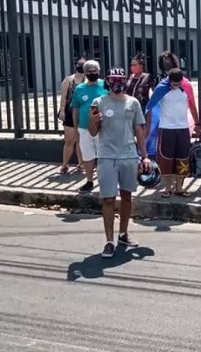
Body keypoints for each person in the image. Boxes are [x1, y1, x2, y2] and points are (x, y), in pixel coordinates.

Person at [89, 67, 153, 259]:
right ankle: (109, 240)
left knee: (127, 197)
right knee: (108, 199)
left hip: (129, 156)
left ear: (125, 81)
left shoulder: (133, 103)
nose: (117, 83)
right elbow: (93, 132)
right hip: (107, 156)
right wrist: (93, 121)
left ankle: (123, 234)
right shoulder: (98, 102)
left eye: (120, 79)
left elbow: (139, 132)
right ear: (107, 81)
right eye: (113, 79)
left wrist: (145, 156)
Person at [145, 68, 201, 198]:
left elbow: (192, 105)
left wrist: (197, 124)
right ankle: (168, 187)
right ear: (168, 79)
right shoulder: (161, 88)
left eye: (178, 83)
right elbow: (150, 107)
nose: (176, 86)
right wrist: (147, 127)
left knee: (183, 158)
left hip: (183, 128)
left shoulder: (186, 87)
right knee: (166, 159)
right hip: (166, 128)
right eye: (173, 83)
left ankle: (179, 187)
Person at [70, 60, 106, 193]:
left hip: (102, 127)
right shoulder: (80, 88)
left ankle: (104, 181)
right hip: (84, 128)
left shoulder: (105, 85)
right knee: (88, 156)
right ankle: (89, 180)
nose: (92, 73)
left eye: (94, 71)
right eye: (89, 71)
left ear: (99, 71)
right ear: (84, 73)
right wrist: (76, 128)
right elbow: (75, 109)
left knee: (103, 156)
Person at [58, 58, 86, 174]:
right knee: (69, 140)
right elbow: (64, 97)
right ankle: (65, 164)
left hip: (83, 112)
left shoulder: (88, 80)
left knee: (81, 140)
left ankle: (81, 163)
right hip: (70, 112)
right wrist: (62, 111)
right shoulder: (69, 80)